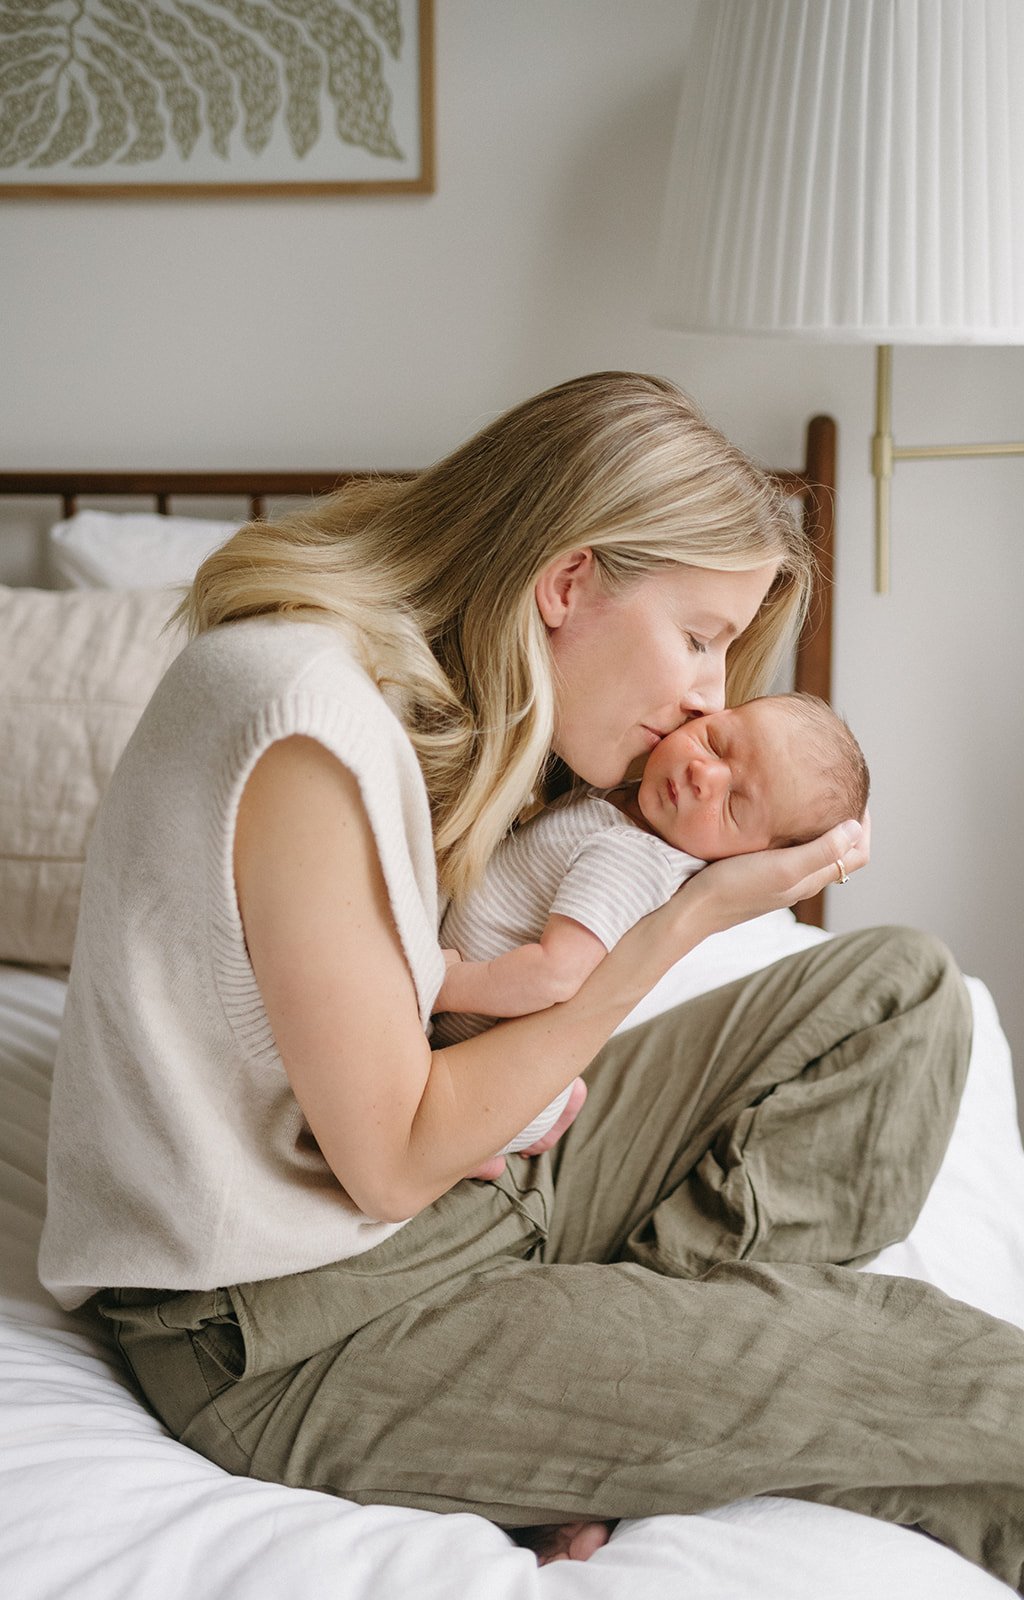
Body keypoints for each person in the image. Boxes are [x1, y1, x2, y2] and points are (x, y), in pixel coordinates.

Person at [37, 373, 1023, 1586]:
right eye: (702, 640)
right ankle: (635, 1371)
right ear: (567, 584)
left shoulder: (442, 713)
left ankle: (616, 1363)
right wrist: (681, 922)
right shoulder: (302, 719)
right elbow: (394, 1156)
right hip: (297, 1324)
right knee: (920, 1364)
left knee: (900, 991)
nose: (711, 696)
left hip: (472, 1199)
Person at [433, 692, 869, 1157]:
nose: (705, 775)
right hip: (519, 1083)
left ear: (755, 863)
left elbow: (554, 975)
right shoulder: (626, 793)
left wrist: (445, 985)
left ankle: (492, 1148)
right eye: (716, 743)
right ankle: (544, 1116)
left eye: (735, 806)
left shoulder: (633, 859)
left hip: (479, 1068)